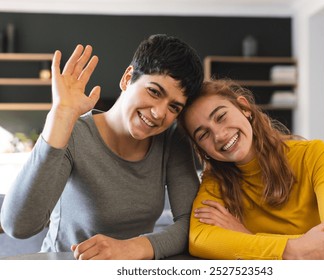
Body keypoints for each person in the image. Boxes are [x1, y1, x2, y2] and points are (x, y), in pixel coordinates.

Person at [1, 34, 204, 260]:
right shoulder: (74, 133)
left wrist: (130, 248)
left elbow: (191, 223)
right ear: (128, 78)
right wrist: (60, 116)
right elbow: (18, 226)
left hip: (129, 270)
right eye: (154, 92)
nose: (159, 113)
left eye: (174, 107)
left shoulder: (171, 139)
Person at [178, 79, 324, 260]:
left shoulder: (315, 155)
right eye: (203, 134)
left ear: (245, 108)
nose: (219, 135)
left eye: (221, 117)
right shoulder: (215, 179)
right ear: (201, 149)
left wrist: (245, 234)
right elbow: (199, 239)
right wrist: (292, 250)